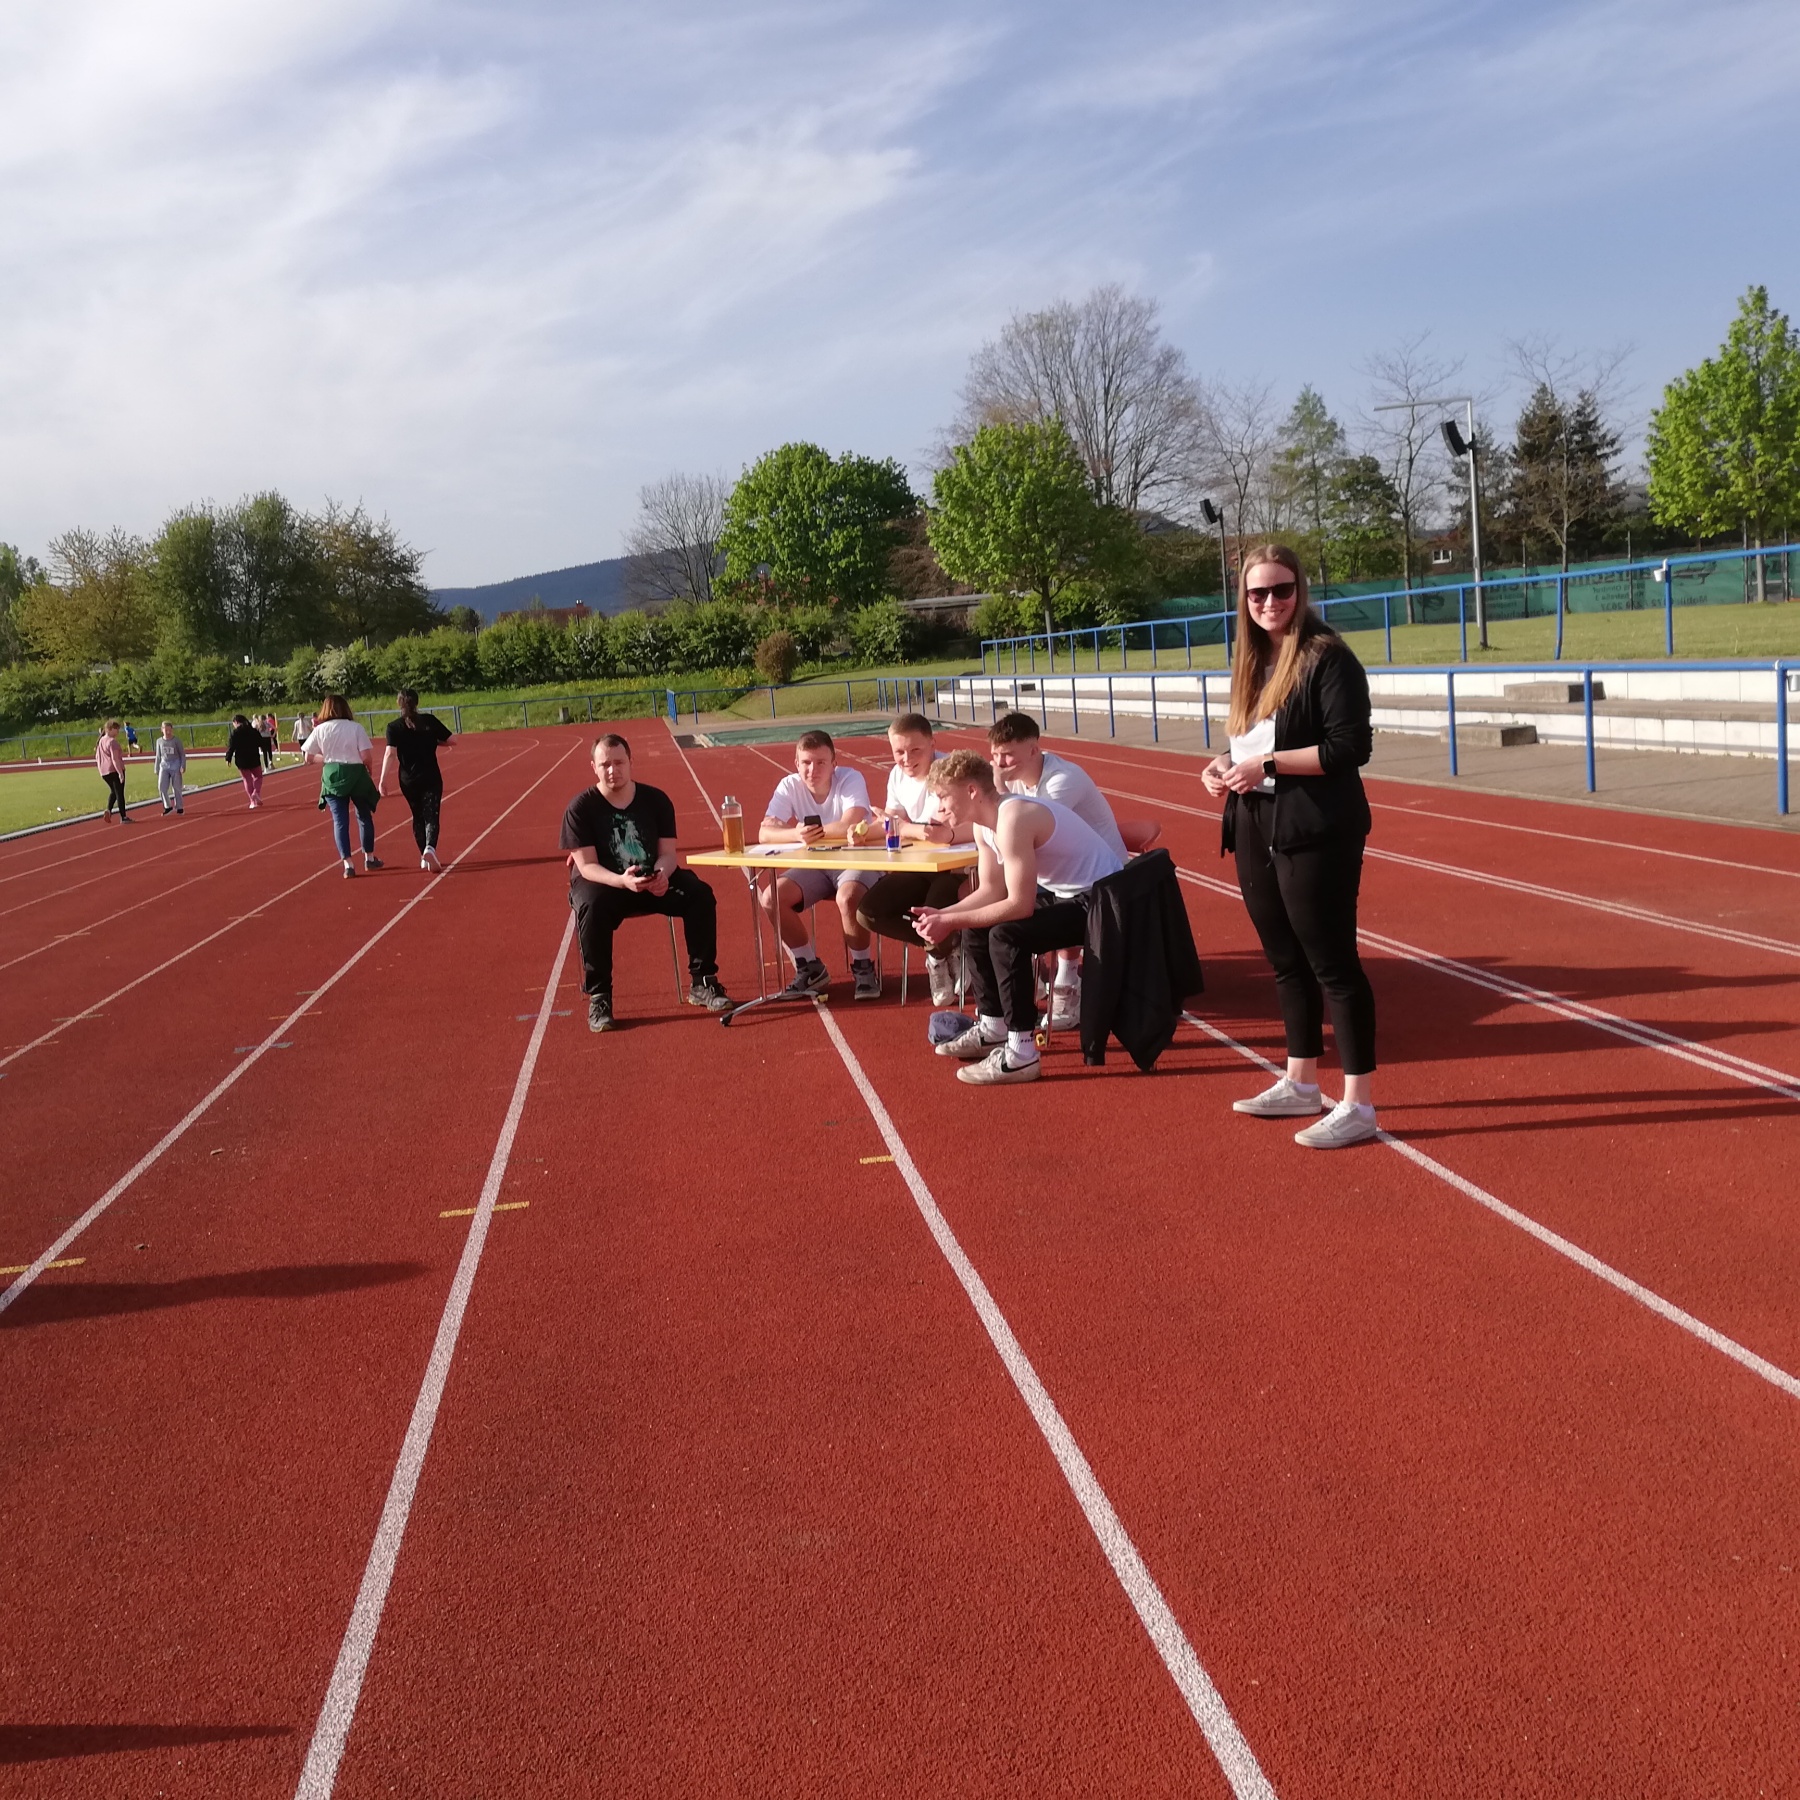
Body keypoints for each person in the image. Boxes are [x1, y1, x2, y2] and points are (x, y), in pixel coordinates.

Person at [1200, 542, 1378, 1150]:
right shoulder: (1251, 659)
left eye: (1282, 589)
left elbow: (1348, 748)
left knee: (1333, 964)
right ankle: (1301, 1081)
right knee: (1285, 960)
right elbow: (1250, 744)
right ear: (1244, 599)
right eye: (1258, 593)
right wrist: (1223, 764)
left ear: (1300, 590)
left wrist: (1268, 765)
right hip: (1254, 821)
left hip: (1316, 827)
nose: (1270, 602)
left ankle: (1358, 1103)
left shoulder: (1328, 657)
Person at [913, 750, 1123, 1086]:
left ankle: (1022, 1054)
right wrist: (945, 914)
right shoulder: (984, 826)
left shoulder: (1013, 818)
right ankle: (993, 1027)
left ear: (972, 791)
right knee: (976, 927)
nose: (938, 808)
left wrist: (950, 922)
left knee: (1005, 936)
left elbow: (1019, 906)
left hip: (1104, 904)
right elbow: (991, 891)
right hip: (1070, 895)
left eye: (943, 797)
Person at [560, 733, 732, 1030]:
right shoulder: (581, 807)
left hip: (652, 879)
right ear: (594, 767)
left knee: (700, 894)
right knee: (591, 905)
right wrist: (620, 880)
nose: (613, 770)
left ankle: (703, 982)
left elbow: (668, 854)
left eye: (619, 763)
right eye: (605, 764)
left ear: (630, 762)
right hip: (606, 883)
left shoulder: (656, 800)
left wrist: (662, 875)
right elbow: (586, 866)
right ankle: (600, 997)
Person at [986, 712, 1126, 1031]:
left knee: (1018, 901)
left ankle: (1066, 979)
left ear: (1034, 750)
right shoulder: (1015, 780)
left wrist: (997, 787)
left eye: (1007, 755)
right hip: (1062, 871)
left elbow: (1036, 830)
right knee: (994, 898)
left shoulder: (1062, 780)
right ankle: (1019, 984)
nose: (1000, 764)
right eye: (995, 755)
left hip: (1103, 880)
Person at [759, 729, 879, 1001]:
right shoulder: (789, 785)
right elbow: (764, 833)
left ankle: (863, 967)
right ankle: (809, 966)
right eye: (806, 763)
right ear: (796, 763)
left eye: (821, 762)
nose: (812, 770)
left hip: (856, 858)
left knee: (847, 897)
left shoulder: (850, 778)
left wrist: (808, 833)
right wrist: (796, 834)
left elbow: (850, 824)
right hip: (815, 862)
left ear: (834, 763)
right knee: (771, 898)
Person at [854, 714, 966, 1005]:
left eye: (915, 750)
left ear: (932, 744)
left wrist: (904, 827)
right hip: (917, 867)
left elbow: (935, 832)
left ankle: (938, 954)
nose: (906, 759)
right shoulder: (897, 775)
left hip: (955, 869)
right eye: (899, 751)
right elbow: (893, 821)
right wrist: (862, 833)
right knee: (868, 912)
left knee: (933, 911)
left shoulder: (950, 772)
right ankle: (943, 947)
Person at [302, 695, 384, 877]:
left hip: (332, 774)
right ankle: (369, 858)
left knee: (340, 821)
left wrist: (328, 758)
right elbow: (366, 756)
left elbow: (308, 757)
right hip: (356, 774)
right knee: (364, 816)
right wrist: (369, 770)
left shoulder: (320, 729)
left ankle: (348, 865)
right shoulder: (355, 727)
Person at [378, 689, 453, 871]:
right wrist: (435, 741)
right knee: (431, 815)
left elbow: (390, 754)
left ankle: (423, 856)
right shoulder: (429, 721)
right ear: (417, 702)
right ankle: (430, 848)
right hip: (430, 776)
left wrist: (382, 780)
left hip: (408, 780)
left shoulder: (394, 727)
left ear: (399, 704)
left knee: (417, 816)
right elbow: (452, 740)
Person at [225, 713, 267, 809]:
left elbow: (231, 747)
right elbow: (261, 742)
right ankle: (256, 793)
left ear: (236, 722)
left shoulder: (235, 733)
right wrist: (263, 749)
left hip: (241, 759)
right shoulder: (253, 731)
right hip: (253, 757)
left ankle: (252, 801)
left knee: (247, 779)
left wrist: (228, 758)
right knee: (258, 776)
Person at [96, 719, 131, 823]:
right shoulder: (112, 742)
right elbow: (115, 759)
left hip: (104, 771)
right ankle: (123, 816)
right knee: (119, 793)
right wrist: (120, 773)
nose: (118, 732)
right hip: (114, 770)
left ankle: (109, 810)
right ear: (110, 729)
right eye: (117, 729)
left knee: (114, 791)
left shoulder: (101, 740)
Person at [154, 722, 187, 815]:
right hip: (164, 765)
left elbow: (182, 754)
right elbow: (158, 756)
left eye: (169, 730)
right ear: (162, 730)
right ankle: (167, 806)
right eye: (166, 730)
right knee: (162, 787)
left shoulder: (176, 741)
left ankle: (179, 807)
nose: (168, 732)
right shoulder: (159, 741)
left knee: (176, 787)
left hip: (175, 764)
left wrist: (183, 765)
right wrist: (156, 767)